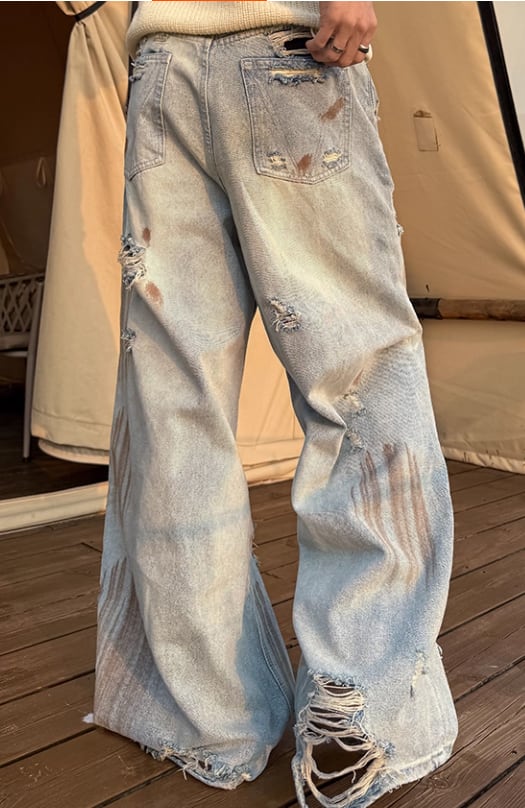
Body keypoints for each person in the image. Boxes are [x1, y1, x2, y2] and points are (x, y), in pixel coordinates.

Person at [93, 3, 458, 806]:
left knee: (175, 408)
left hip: (161, 67)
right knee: (357, 381)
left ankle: (208, 715)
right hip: (286, 47)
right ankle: (358, 703)